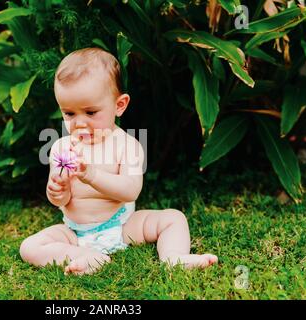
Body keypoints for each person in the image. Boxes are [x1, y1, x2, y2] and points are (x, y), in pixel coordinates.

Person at [20, 47, 218, 275]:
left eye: (91, 112)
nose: (79, 122)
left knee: (173, 218)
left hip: (122, 226)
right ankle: (88, 257)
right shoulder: (61, 147)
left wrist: (92, 175)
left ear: (119, 105)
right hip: (75, 233)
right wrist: (56, 191)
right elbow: (60, 200)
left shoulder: (126, 145)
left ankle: (174, 257)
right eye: (70, 114)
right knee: (30, 247)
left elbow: (130, 191)